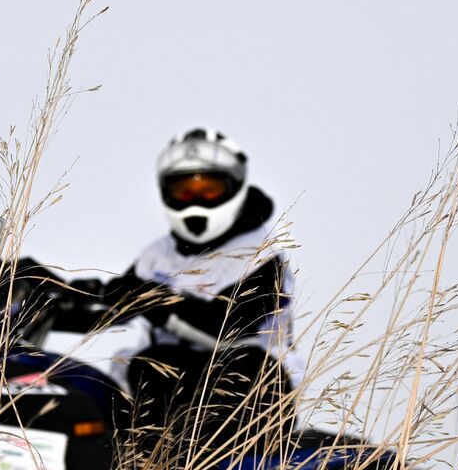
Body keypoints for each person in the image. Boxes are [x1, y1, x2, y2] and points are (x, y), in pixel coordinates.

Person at [49, 128, 302, 453]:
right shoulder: (159, 253)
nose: (195, 201)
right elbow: (114, 307)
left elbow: (224, 328)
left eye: (208, 190)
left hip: (254, 393)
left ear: (235, 187)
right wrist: (50, 293)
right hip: (164, 389)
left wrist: (153, 299)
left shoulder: (262, 255)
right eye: (184, 191)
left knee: (160, 362)